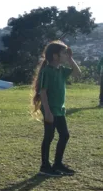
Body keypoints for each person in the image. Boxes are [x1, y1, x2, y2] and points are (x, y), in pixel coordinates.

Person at [31, 40, 81, 177]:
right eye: (64, 53)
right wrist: (47, 111)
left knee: (64, 135)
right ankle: (45, 166)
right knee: (49, 136)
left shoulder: (61, 70)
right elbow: (43, 92)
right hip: (50, 109)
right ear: (55, 56)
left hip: (59, 109)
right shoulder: (47, 71)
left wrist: (70, 59)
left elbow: (77, 73)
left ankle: (57, 164)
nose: (65, 55)